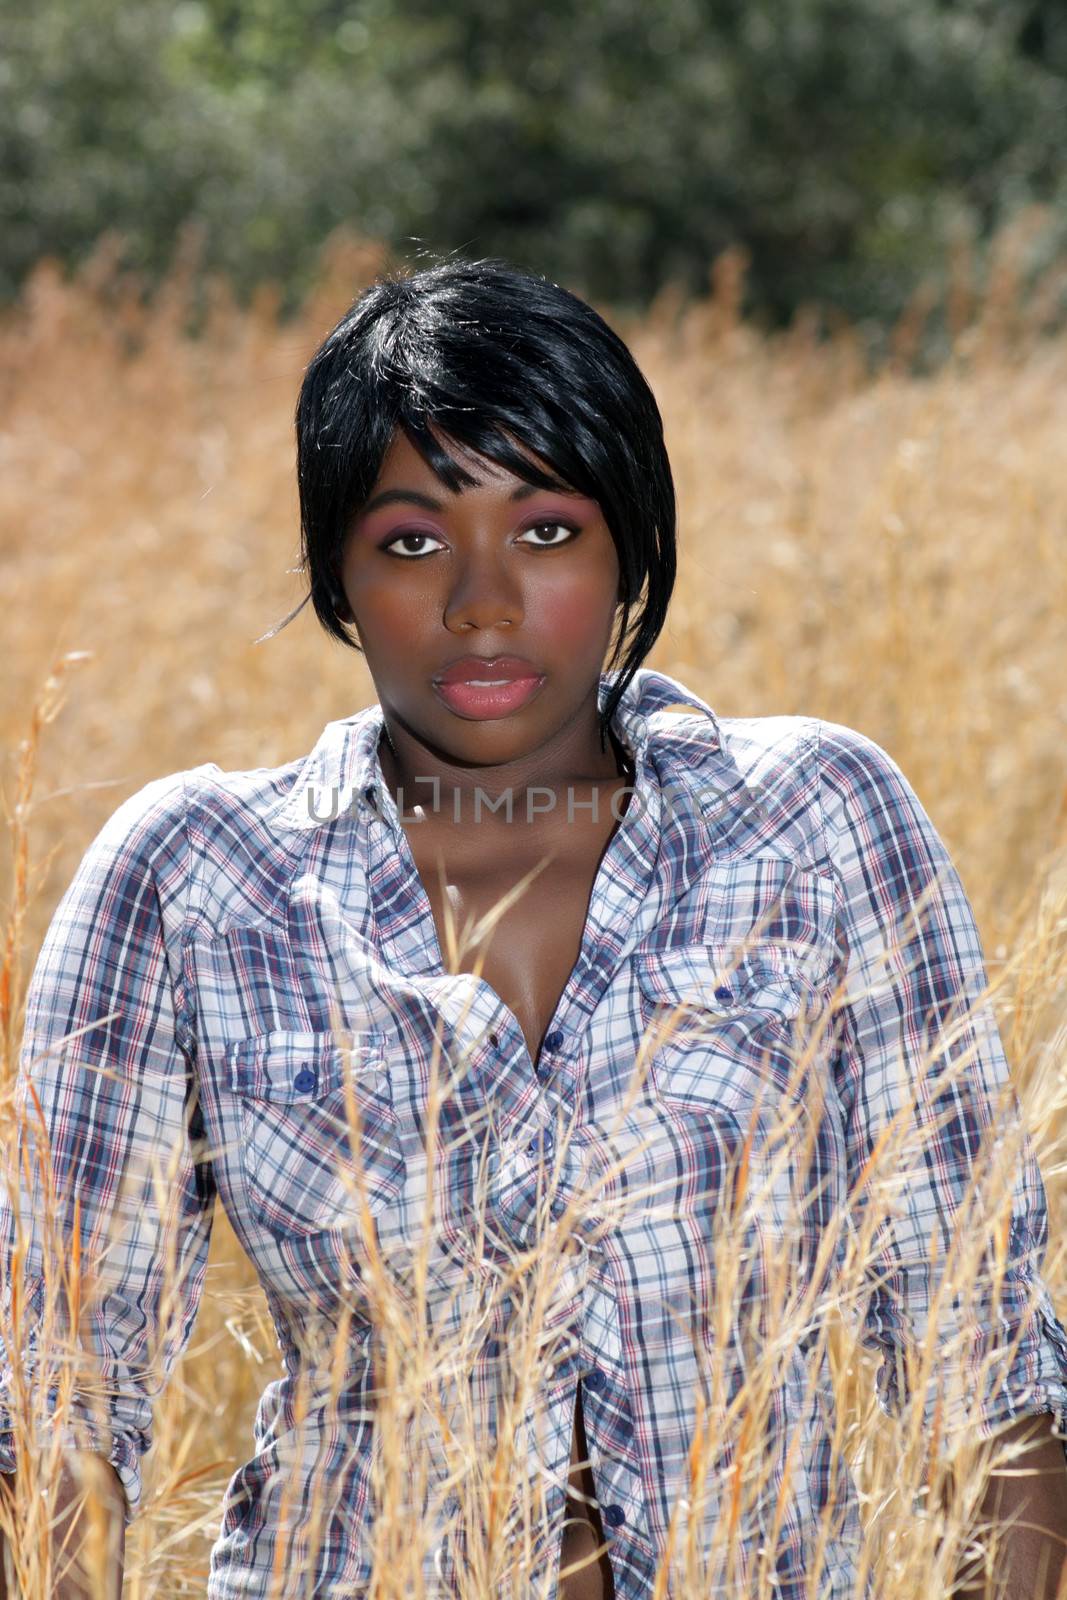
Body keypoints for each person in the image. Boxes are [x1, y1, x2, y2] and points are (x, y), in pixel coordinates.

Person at [2, 256, 1067, 1600]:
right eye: (412, 540)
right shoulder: (195, 879)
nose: (483, 599)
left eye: (547, 530)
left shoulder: (815, 823)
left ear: (630, 544)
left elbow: (980, 1360)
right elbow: (54, 1410)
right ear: (338, 568)